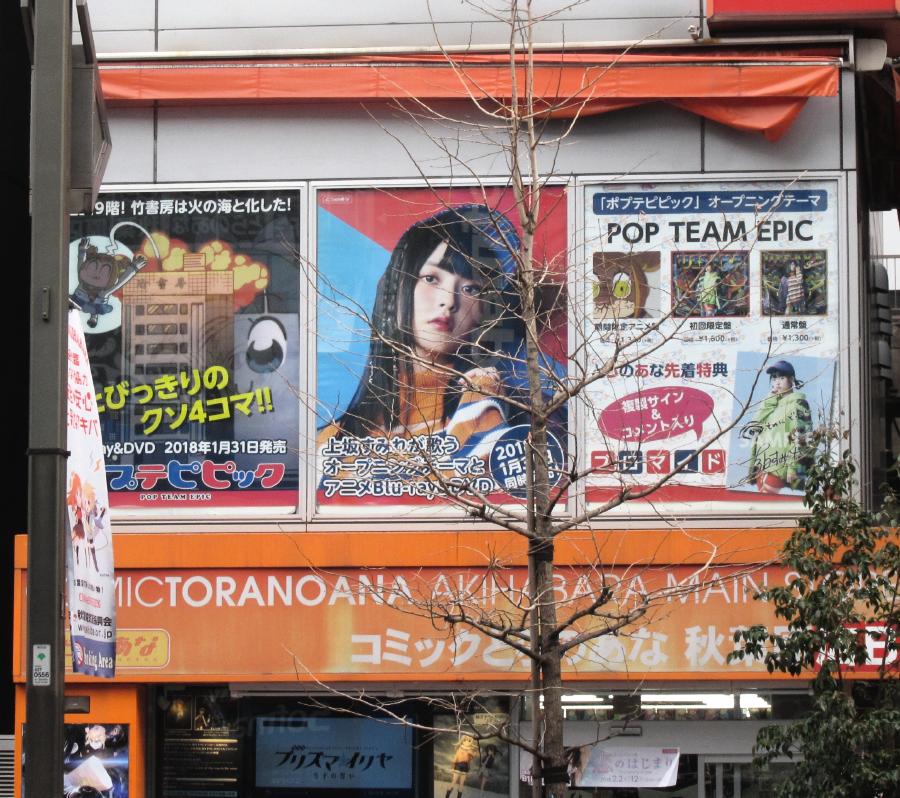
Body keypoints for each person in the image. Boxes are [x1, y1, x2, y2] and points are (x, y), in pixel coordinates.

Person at [317, 205, 523, 493]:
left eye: (470, 289)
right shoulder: (332, 439)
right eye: (431, 279)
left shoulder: (485, 409)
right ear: (397, 289)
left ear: (484, 315)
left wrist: (479, 407)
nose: (448, 301)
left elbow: (474, 502)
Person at [747, 360, 813, 493]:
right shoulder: (773, 406)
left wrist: (793, 468)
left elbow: (802, 437)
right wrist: (771, 398)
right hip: (762, 470)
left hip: (778, 471)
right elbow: (754, 426)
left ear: (791, 380)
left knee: (768, 505)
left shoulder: (797, 404)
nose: (777, 382)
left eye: (782, 378)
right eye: (774, 378)